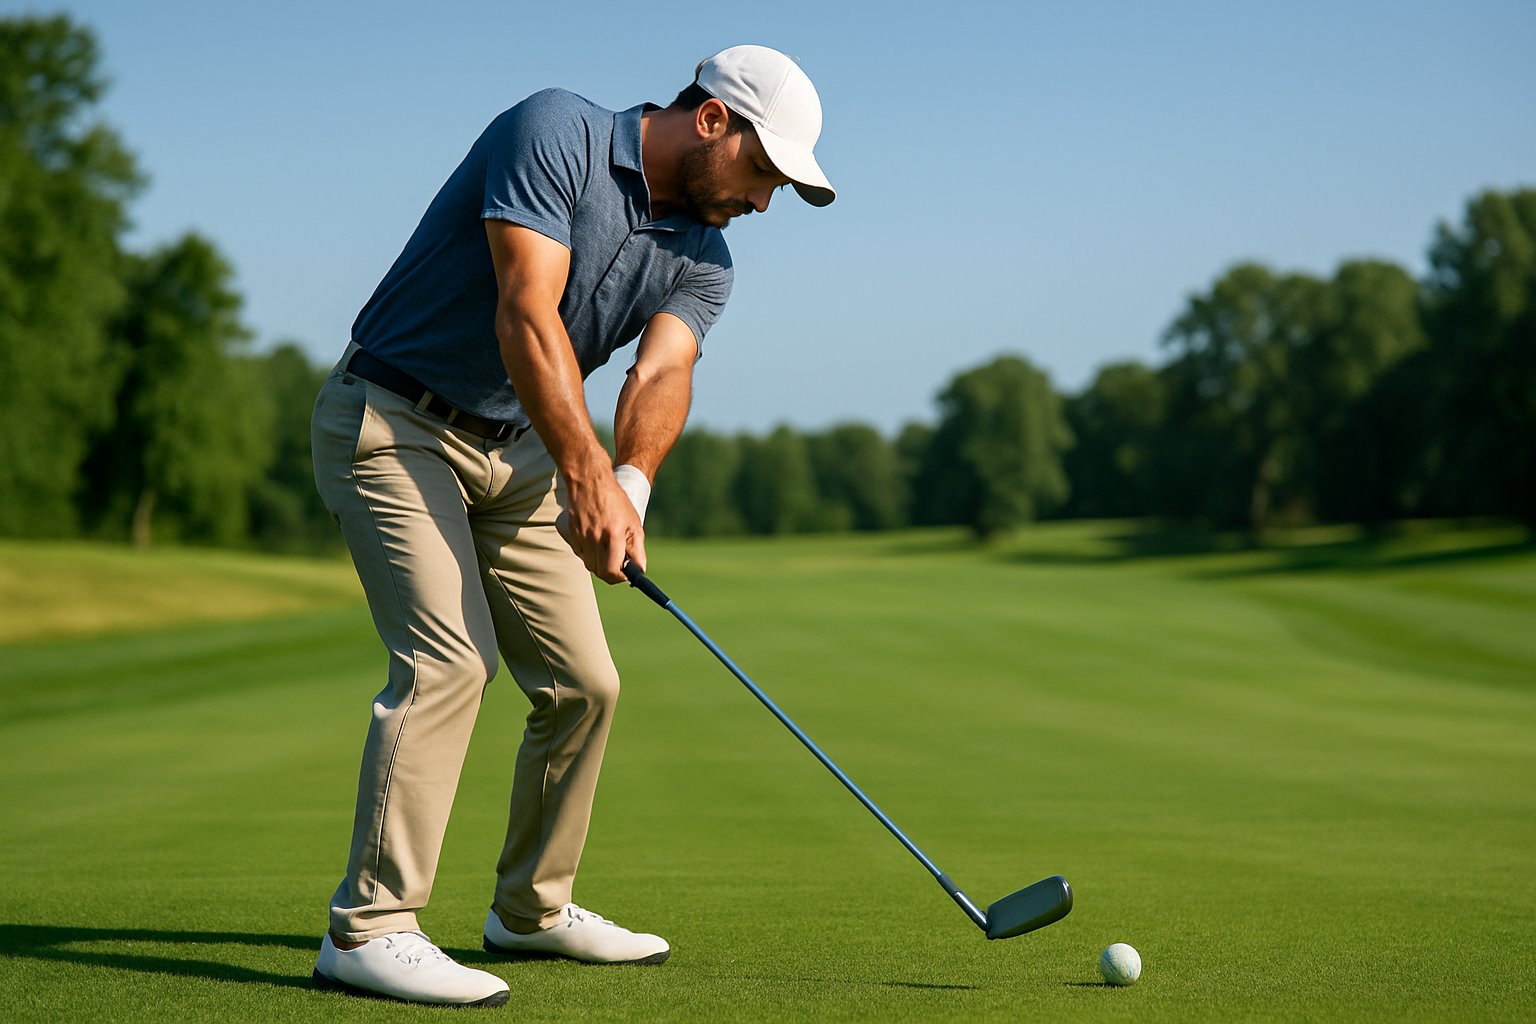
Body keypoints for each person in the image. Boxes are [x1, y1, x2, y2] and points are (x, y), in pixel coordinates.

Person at [308, 45, 836, 1007]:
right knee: (450, 662)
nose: (764, 202)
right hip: (394, 420)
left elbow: (663, 372)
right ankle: (370, 930)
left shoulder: (707, 259)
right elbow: (526, 311)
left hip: (520, 451)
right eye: (763, 171)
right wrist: (586, 472)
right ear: (712, 120)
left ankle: (530, 910)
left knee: (585, 683)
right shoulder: (558, 130)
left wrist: (629, 482)